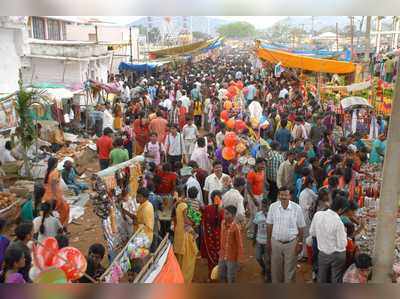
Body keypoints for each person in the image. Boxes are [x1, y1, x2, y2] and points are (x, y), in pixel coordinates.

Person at [266, 187, 306, 283]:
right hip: (275, 243)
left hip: (291, 244)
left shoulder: (297, 208)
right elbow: (269, 224)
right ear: (279, 195)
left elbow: (301, 227)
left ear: (290, 196)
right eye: (281, 195)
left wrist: (300, 243)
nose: (283, 197)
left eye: (286, 195)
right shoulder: (273, 207)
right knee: (276, 271)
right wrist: (269, 242)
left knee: (289, 273)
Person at [309, 195, 348, 283]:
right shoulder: (338, 222)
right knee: (335, 278)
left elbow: (312, 233)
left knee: (322, 276)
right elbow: (342, 244)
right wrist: (344, 234)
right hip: (337, 255)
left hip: (323, 253)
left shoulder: (318, 215)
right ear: (341, 210)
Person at [173, 189, 198, 283]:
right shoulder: (183, 205)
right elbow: (186, 220)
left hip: (179, 233)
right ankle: (185, 279)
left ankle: (179, 278)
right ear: (183, 194)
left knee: (180, 259)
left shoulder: (177, 204)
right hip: (185, 234)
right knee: (188, 259)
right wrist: (194, 222)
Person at [201, 190, 224, 279]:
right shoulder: (223, 211)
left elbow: (198, 218)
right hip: (220, 237)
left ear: (211, 198)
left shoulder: (207, 209)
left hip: (209, 238)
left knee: (211, 258)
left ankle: (211, 276)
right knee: (221, 256)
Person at [42, 157, 70, 229]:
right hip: (55, 196)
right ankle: (60, 228)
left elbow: (46, 184)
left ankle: (58, 228)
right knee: (65, 211)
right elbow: (53, 186)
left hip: (47, 196)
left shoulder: (47, 172)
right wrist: (57, 197)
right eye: (57, 163)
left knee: (53, 214)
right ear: (55, 164)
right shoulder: (55, 172)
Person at [218, 205, 243, 283]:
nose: (224, 215)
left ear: (233, 215)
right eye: (224, 213)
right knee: (221, 275)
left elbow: (239, 245)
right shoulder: (222, 223)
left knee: (230, 278)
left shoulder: (236, 228)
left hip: (231, 258)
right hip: (222, 255)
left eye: (227, 214)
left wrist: (239, 260)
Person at [298, 176, 318, 258]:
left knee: (306, 235)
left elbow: (316, 197)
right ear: (309, 184)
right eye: (312, 184)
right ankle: (304, 254)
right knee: (305, 235)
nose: (313, 185)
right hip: (304, 216)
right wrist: (311, 206)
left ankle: (306, 253)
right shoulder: (304, 193)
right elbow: (304, 206)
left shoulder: (308, 191)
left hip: (307, 217)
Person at [247, 158, 266, 236]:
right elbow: (248, 187)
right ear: (257, 164)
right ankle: (251, 232)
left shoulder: (262, 172)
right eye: (262, 164)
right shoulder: (251, 173)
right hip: (253, 196)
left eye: (264, 164)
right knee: (254, 214)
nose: (263, 166)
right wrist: (254, 199)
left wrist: (263, 194)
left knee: (257, 214)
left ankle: (253, 230)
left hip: (260, 195)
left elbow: (262, 183)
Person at [253, 200, 271, 282]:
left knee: (267, 260)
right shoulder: (258, 215)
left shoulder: (272, 216)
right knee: (258, 257)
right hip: (259, 240)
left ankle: (268, 276)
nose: (265, 208)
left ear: (269, 206)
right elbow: (255, 226)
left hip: (268, 241)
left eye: (266, 206)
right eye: (263, 206)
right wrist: (254, 237)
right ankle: (264, 268)